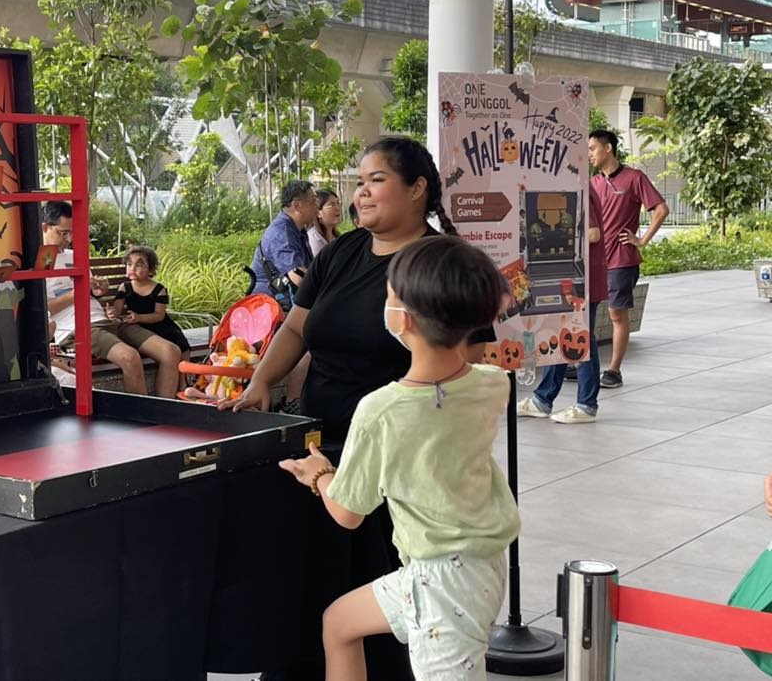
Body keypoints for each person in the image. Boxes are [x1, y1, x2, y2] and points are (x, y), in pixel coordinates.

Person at [229, 136, 495, 679]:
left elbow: (467, 362)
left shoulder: (440, 264)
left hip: (401, 461)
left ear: (418, 189)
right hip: (319, 445)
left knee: (390, 591)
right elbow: (298, 326)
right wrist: (261, 382)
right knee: (319, 587)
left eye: (377, 179)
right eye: (359, 181)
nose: (361, 191)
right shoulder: (343, 252)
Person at [278, 235, 519, 681]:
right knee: (340, 623)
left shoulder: (383, 410)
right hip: (474, 565)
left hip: (441, 581)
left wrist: (318, 475)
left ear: (402, 319)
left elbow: (348, 513)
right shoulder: (492, 383)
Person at [41, 201, 182, 398]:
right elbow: (42, 309)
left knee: (171, 352)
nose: (69, 239)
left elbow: (90, 292)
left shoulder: (74, 255)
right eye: (63, 233)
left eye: (72, 232)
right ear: (45, 227)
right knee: (130, 357)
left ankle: (165, 417)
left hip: (108, 321)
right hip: (77, 329)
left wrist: (99, 288)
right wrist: (78, 291)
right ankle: (144, 422)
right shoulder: (35, 263)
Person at [588, 129, 669, 389]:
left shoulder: (634, 177)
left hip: (622, 259)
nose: (589, 154)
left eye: (592, 148)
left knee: (616, 314)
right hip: (595, 260)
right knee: (584, 314)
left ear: (607, 148)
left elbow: (661, 209)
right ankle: (581, 365)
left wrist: (642, 240)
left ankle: (614, 370)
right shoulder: (592, 183)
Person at [518, 189, 607, 423]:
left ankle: (586, 404)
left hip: (584, 279)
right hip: (575, 273)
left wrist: (557, 236)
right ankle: (543, 399)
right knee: (561, 333)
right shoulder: (573, 189)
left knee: (581, 338)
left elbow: (594, 233)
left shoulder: (579, 190)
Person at [110, 245, 191, 355]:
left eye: (139, 265)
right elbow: (117, 311)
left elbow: (159, 315)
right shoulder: (125, 287)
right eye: (129, 264)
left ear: (151, 270)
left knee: (183, 348)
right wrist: (111, 313)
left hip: (161, 326)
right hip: (138, 328)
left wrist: (139, 317)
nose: (132, 269)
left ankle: (185, 371)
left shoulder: (158, 289)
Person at [249, 179, 317, 304]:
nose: (317, 206)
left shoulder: (297, 229)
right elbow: (298, 277)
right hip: (270, 308)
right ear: (297, 206)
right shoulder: (282, 233)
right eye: (313, 202)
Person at [307, 188, 342, 257]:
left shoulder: (335, 237)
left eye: (338, 203)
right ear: (318, 213)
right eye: (332, 205)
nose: (338, 208)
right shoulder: (314, 239)